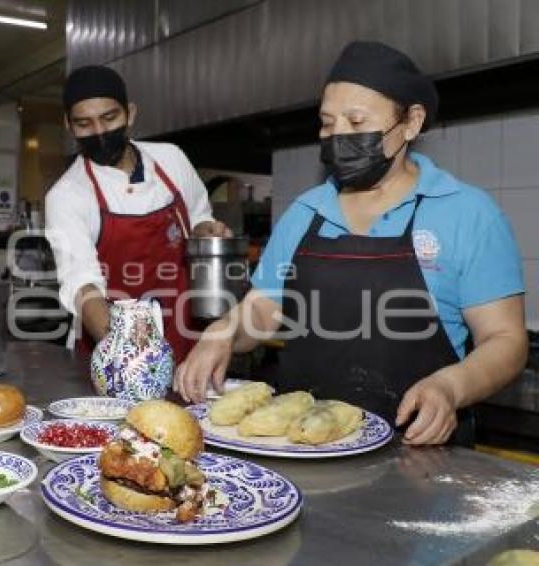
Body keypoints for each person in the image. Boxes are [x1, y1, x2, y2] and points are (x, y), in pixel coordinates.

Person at [175, 41, 527, 446]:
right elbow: (263, 308)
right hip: (301, 446)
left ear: (411, 122)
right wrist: (222, 331)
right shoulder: (306, 211)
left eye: (357, 122)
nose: (338, 135)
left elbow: (505, 340)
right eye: (327, 124)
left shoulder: (467, 213)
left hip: (419, 456)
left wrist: (451, 387)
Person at [45, 65, 231, 362]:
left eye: (109, 118)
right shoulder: (67, 195)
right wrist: (126, 354)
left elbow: (198, 216)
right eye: (84, 124)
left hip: (182, 333)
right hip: (108, 345)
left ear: (130, 113)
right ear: (69, 126)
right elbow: (82, 284)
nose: (100, 132)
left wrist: (205, 229)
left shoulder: (171, 160)